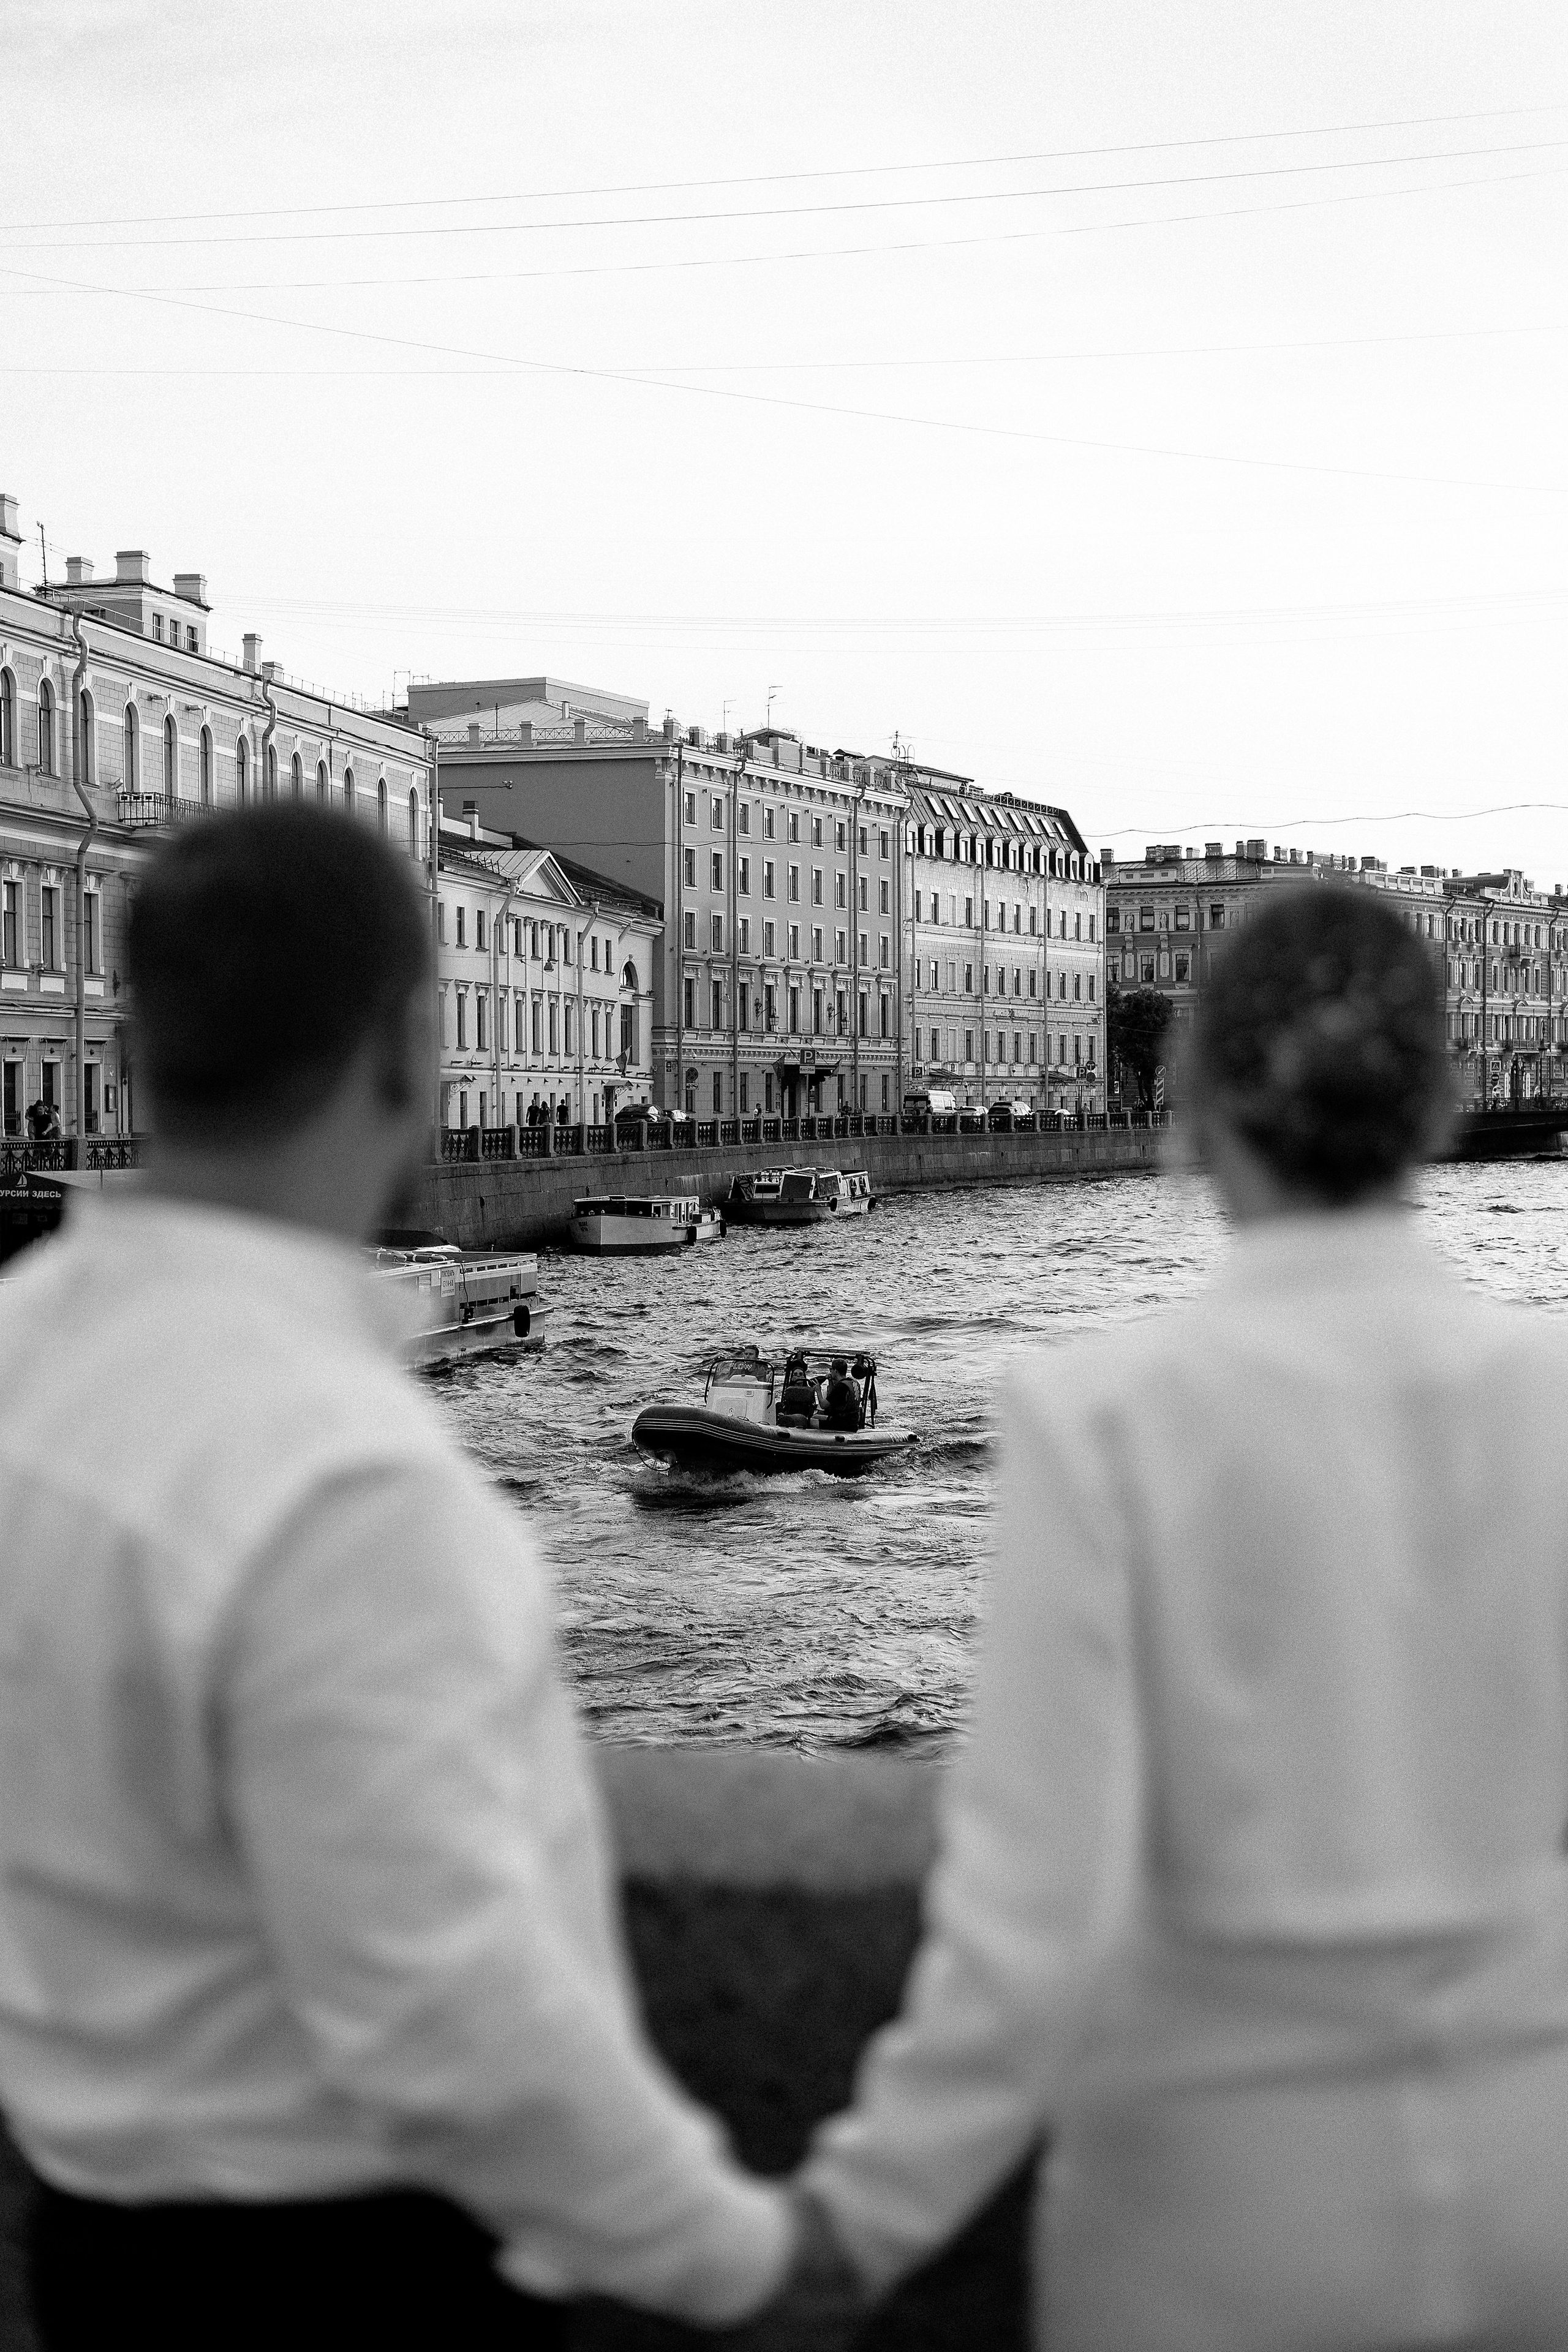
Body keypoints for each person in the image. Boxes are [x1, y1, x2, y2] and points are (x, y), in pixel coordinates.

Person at [0, 806, 794, 2351]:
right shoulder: (347, 1476)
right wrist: (734, 2253)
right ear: (405, 1048)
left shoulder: (22, 1353)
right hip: (342, 2275)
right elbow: (451, 2018)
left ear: (136, 1037)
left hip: (85, 2237)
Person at [794, 884, 1568, 2351]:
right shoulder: (1553, 1401)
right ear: (1442, 1100)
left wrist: (862, 2217)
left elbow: (1031, 1912)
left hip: (1212, 2218)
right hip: (1535, 2188)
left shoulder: (1100, 1419)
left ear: (1196, 1098)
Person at [820, 1358, 860, 1433]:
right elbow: (832, 1396)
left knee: (808, 1421)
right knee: (816, 1417)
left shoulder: (840, 1387)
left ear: (835, 1371)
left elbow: (823, 1405)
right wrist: (830, 1381)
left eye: (831, 1369)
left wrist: (818, 1390)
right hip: (853, 1423)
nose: (830, 1371)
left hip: (839, 1425)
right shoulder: (852, 1382)